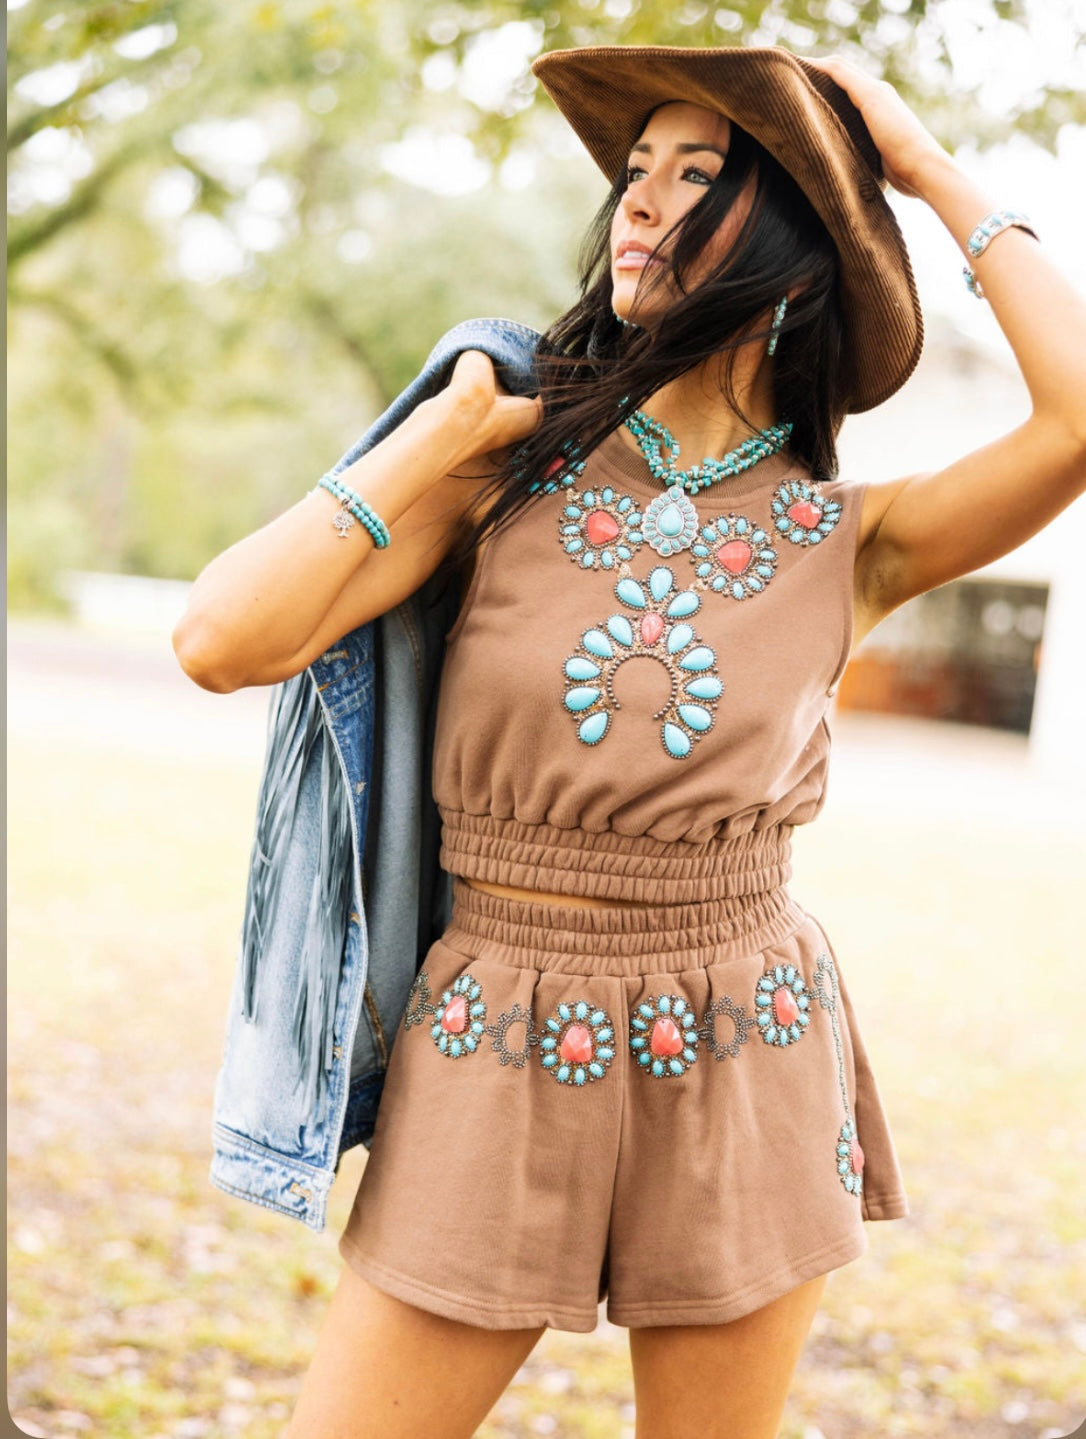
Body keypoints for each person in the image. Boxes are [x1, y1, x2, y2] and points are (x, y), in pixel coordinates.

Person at [173, 42, 1086, 1439]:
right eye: (632, 176)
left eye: (696, 174)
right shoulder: (499, 465)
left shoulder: (852, 538)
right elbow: (220, 642)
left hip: (743, 1030)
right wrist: (430, 440)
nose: (639, 204)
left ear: (791, 250)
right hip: (492, 1021)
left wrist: (910, 164)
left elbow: (1075, 416)